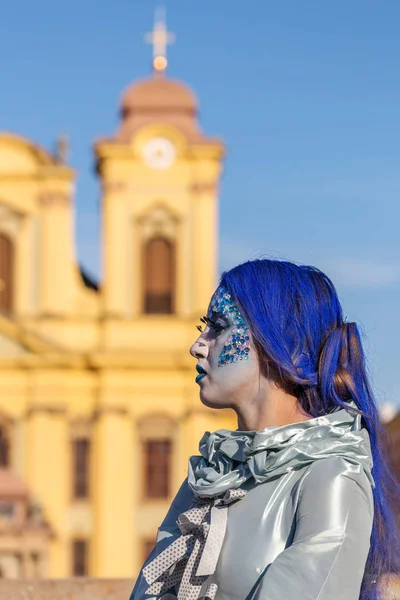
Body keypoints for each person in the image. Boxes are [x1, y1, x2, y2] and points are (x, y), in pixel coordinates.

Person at [130, 259, 400, 600]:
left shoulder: (331, 478)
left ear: (277, 342)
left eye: (217, 326)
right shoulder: (211, 477)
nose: (197, 345)